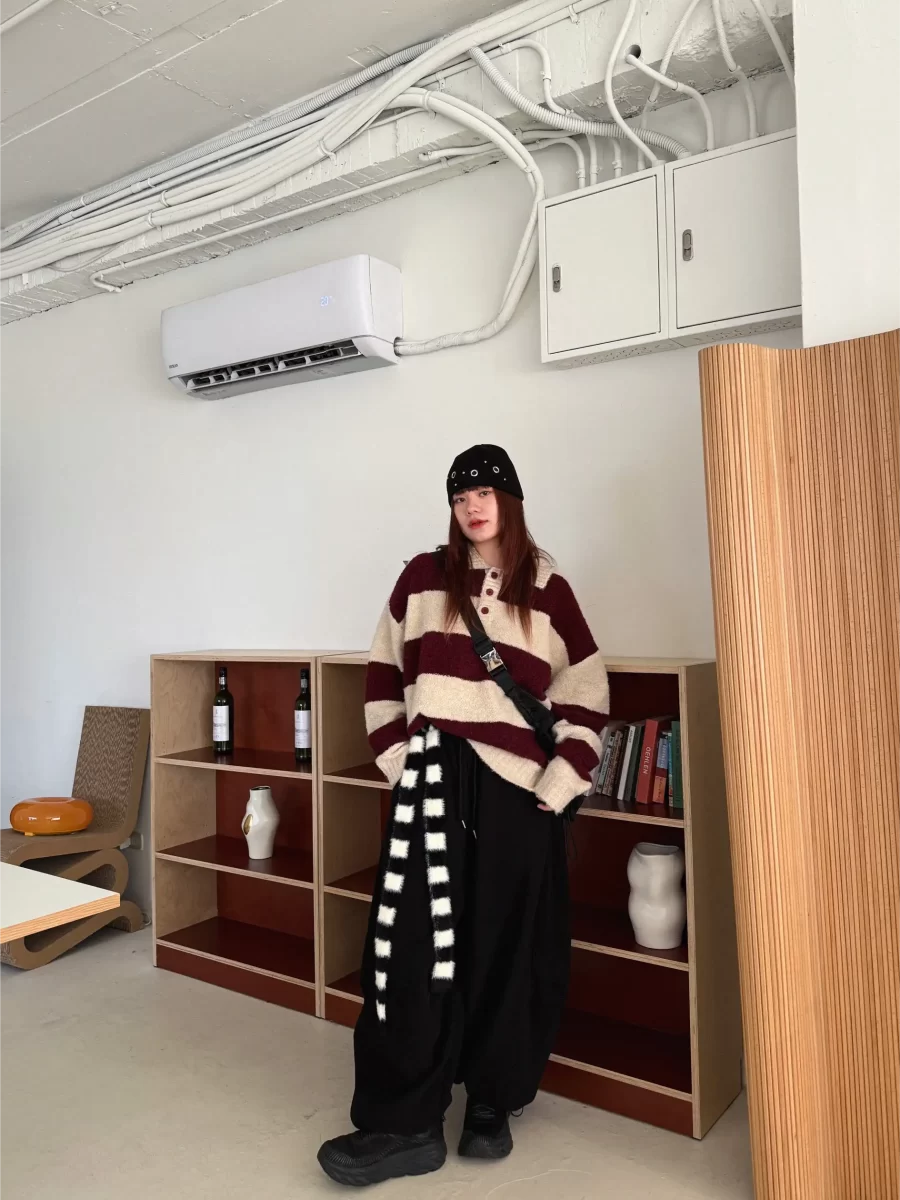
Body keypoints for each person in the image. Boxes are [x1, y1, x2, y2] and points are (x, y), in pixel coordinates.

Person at [318, 444, 609, 1188]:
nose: (472, 507)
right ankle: (403, 1122)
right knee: (408, 946)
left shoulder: (549, 589)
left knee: (510, 947)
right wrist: (397, 759)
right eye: (459, 496)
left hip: (517, 790)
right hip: (432, 778)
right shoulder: (423, 577)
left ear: (510, 500)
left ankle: (491, 1102)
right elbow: (381, 672)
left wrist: (560, 781)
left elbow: (586, 690)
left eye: (484, 492)